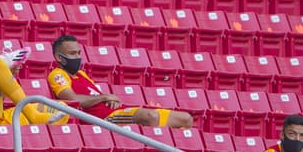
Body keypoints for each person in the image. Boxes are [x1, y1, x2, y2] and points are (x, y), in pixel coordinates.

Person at [47, 34, 194, 129]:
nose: (78, 57)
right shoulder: (57, 74)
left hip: (118, 111)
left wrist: (110, 100)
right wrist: (104, 97)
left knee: (185, 119)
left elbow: (95, 96)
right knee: (151, 117)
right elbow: (71, 100)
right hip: (103, 120)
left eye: (79, 53)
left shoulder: (81, 74)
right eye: (72, 54)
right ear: (59, 57)